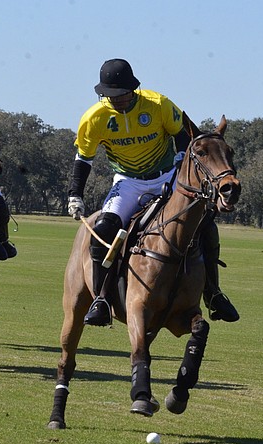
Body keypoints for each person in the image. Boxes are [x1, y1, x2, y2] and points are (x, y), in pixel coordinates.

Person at [66, 58, 239, 326]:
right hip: (128, 182)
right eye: (110, 96)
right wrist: (74, 194)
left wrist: (181, 161)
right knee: (103, 229)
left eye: (122, 95)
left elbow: (183, 134)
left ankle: (214, 294)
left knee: (204, 223)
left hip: (167, 177)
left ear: (133, 90)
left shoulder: (158, 104)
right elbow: (83, 160)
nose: (117, 101)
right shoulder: (94, 118)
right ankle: (101, 299)